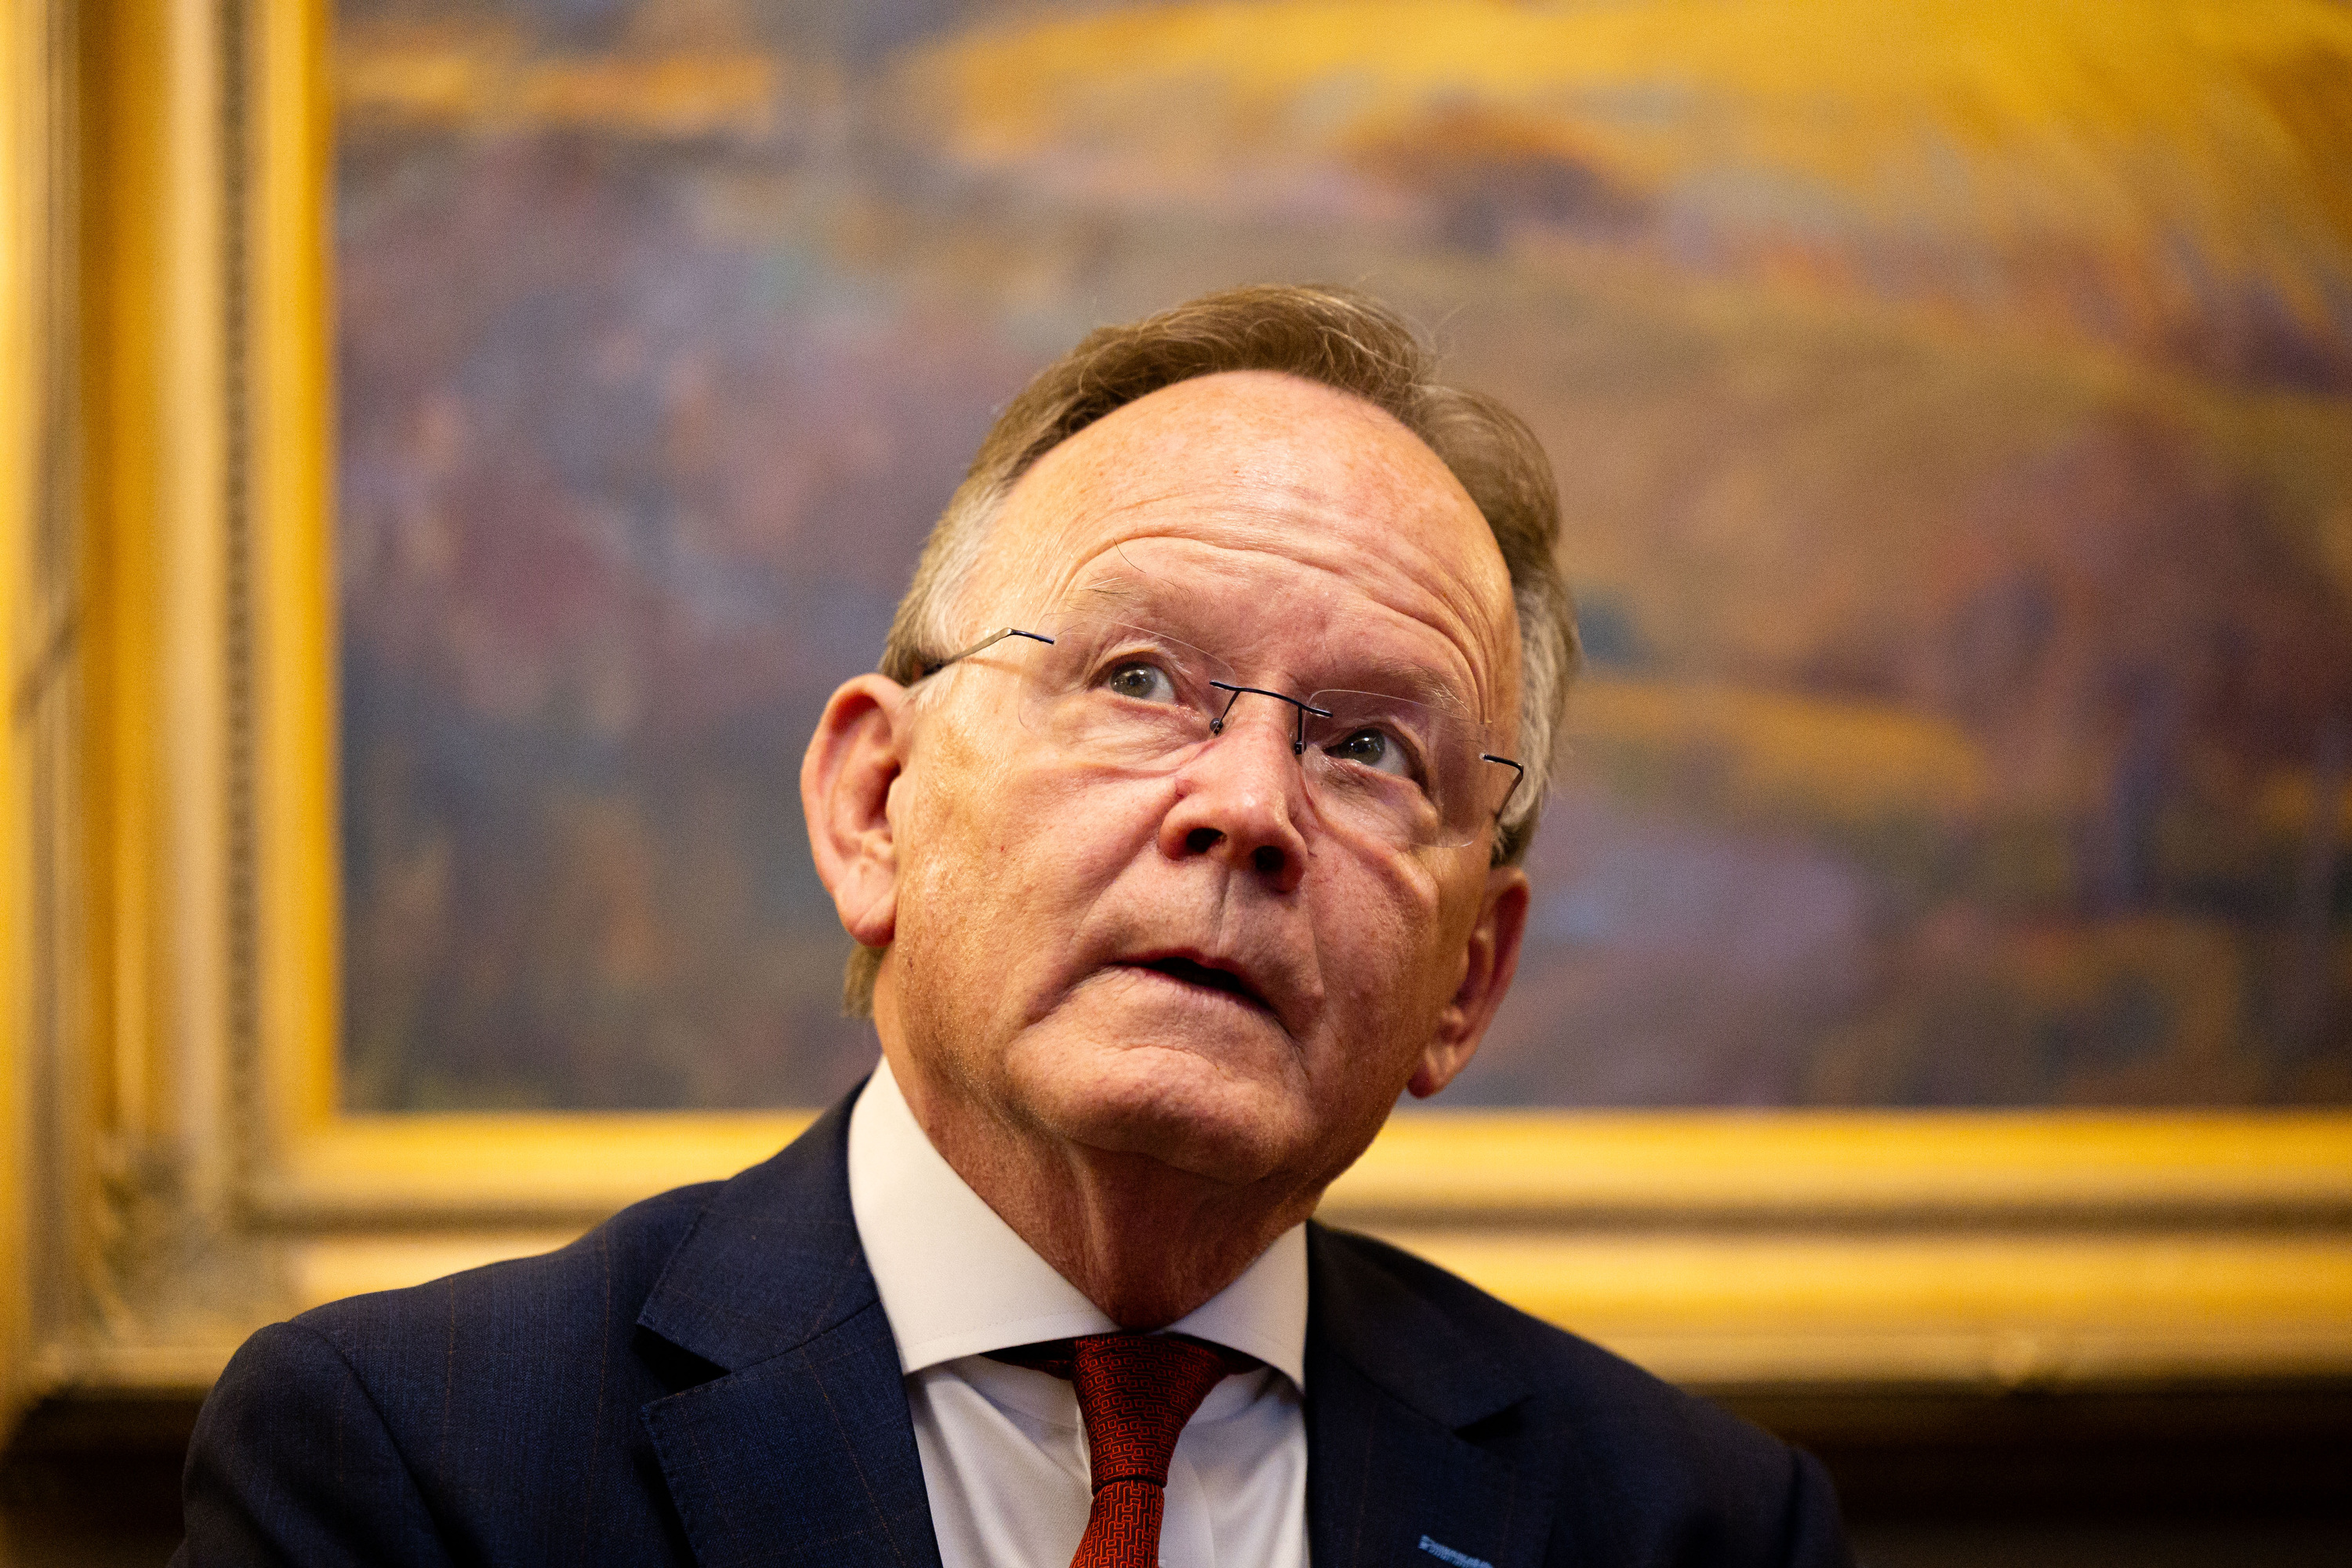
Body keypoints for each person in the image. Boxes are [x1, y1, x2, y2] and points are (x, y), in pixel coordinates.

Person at [176, 285, 1853, 1567]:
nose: (1249, 806)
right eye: (1136, 680)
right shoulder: (420, 1462)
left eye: (1368, 747)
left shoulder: (1689, 1528)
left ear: (1467, 979)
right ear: (874, 805)